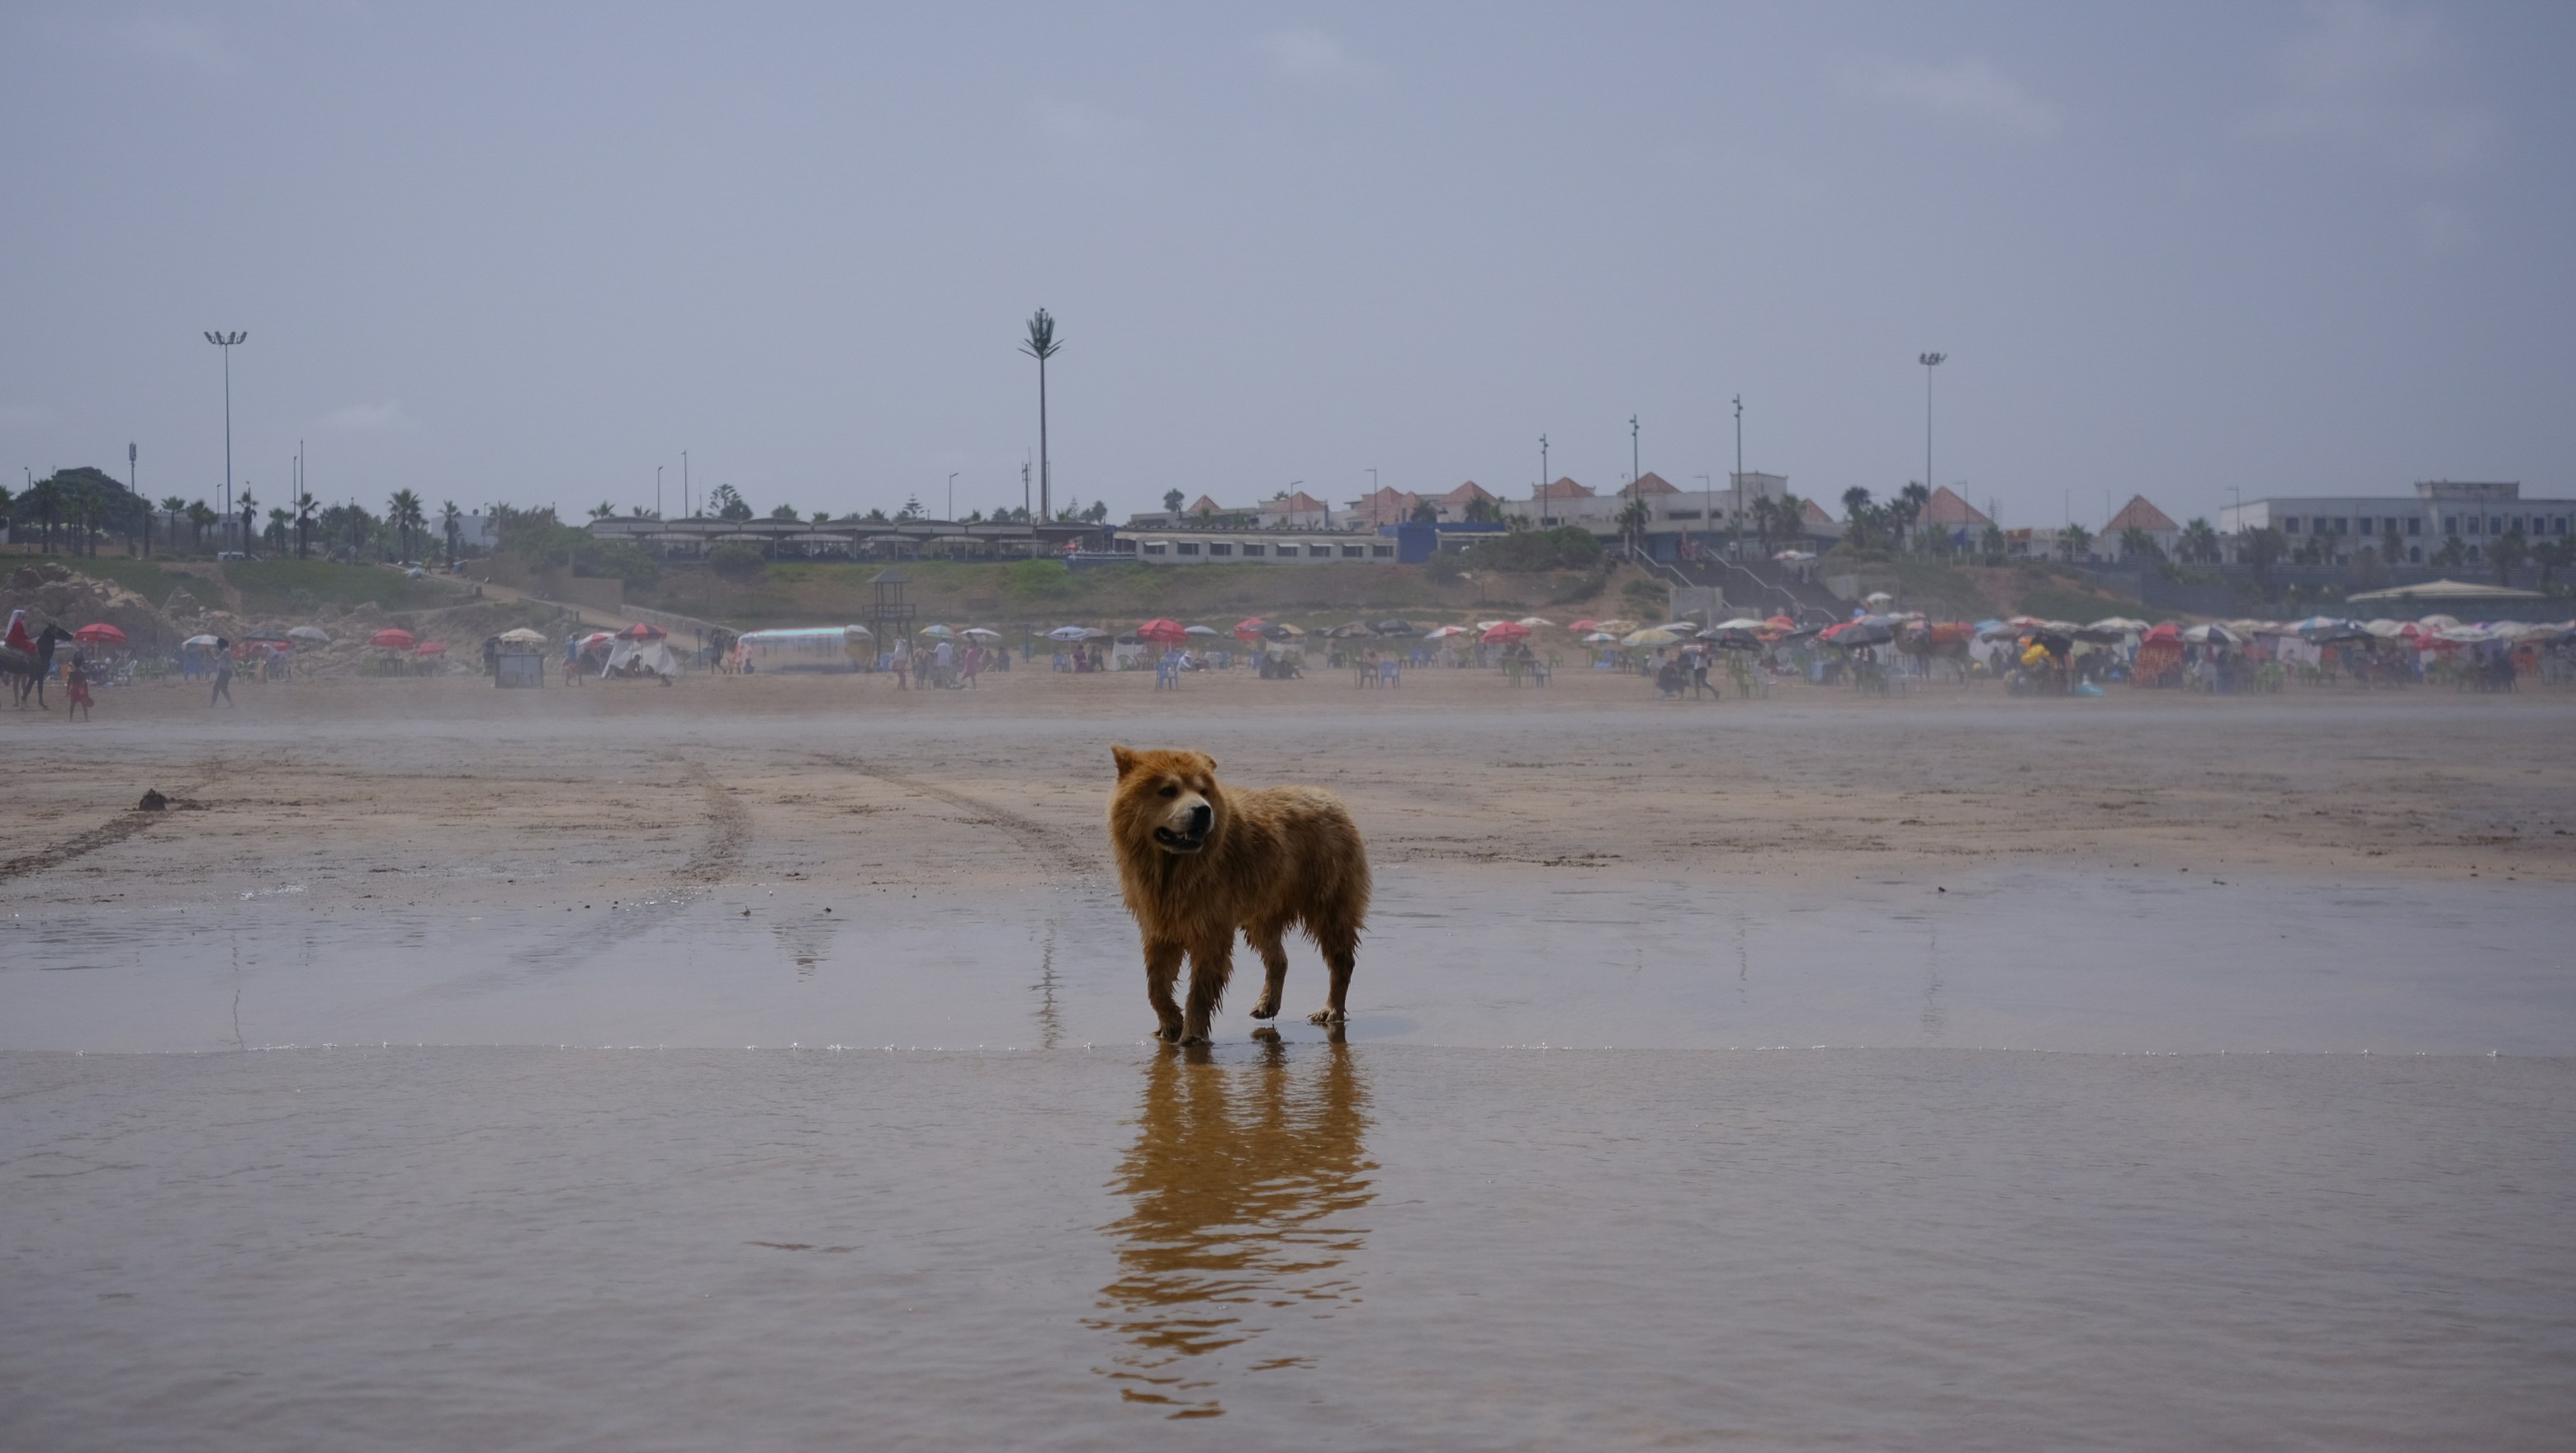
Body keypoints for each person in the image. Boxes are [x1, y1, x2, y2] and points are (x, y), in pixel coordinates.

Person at [64, 651, 94, 722]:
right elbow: (85, 683)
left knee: (72, 705)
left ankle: (70, 719)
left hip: (74, 688)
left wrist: (67, 692)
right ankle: (86, 719)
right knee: (84, 705)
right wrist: (87, 693)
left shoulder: (72, 672)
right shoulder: (82, 672)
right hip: (81, 688)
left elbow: (69, 683)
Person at [210, 640, 235, 706]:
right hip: (225, 672)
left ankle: (213, 704)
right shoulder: (225, 651)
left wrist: (210, 655)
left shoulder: (225, 651)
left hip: (224, 672)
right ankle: (231, 703)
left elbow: (218, 660)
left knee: (216, 688)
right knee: (223, 689)